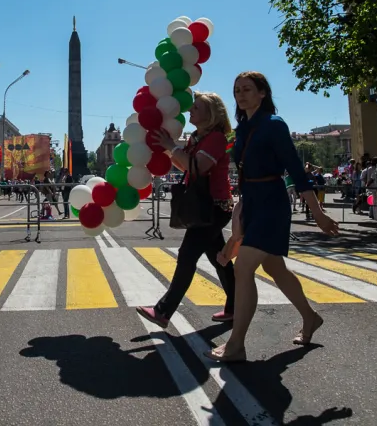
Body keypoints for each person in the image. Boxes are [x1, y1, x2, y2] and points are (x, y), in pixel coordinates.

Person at [206, 71, 339, 363]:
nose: (241, 95)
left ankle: (237, 344)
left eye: (247, 89)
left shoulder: (274, 125)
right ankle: (310, 317)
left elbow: (295, 169)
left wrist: (318, 214)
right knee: (275, 269)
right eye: (237, 90)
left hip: (272, 203)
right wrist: (239, 214)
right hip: (252, 202)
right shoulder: (241, 130)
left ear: (263, 93)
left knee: (243, 269)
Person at [135, 92, 236, 328]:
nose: (190, 111)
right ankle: (235, 306)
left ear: (210, 114)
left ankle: (163, 311)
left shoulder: (217, 138)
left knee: (187, 255)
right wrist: (170, 150)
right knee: (219, 258)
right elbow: (184, 167)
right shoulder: (198, 138)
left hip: (213, 206)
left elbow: (198, 167)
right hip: (205, 205)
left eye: (196, 108)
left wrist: (171, 147)